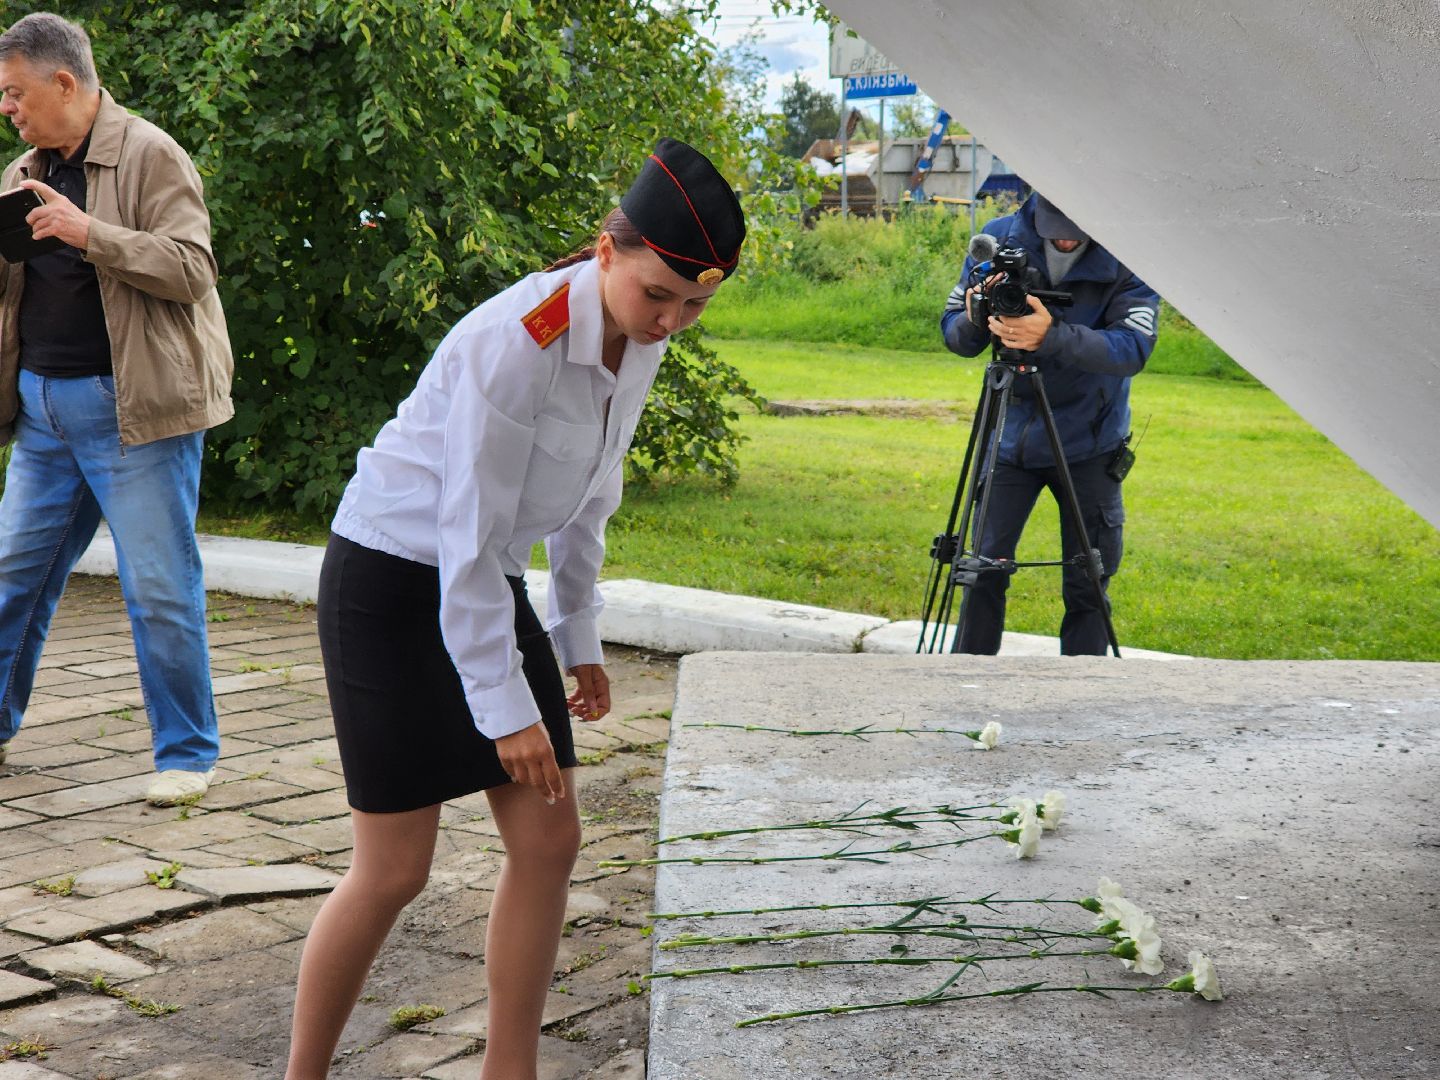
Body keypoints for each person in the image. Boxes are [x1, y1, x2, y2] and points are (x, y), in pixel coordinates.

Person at [284, 138, 745, 1080]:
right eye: (659, 294)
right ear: (606, 250)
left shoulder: (637, 335)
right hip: (390, 580)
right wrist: (506, 712)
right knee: (395, 869)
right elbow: (466, 531)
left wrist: (579, 637)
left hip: (478, 580)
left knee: (549, 836)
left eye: (695, 305)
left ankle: (511, 1072)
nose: (672, 321)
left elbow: (593, 491)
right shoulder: (518, 340)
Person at [0, 13, 232, 803]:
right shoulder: (19, 170)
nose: (9, 109)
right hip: (42, 416)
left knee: (159, 585)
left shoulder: (150, 153)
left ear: (65, 84)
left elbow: (193, 267)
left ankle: (187, 754)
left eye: (16, 93)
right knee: (9, 579)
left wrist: (90, 232)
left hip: (134, 415)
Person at [940, 192, 1159, 655]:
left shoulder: (1130, 253)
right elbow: (955, 334)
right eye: (1053, 227)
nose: (1063, 238)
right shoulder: (999, 237)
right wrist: (976, 315)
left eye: (1075, 231)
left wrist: (1051, 336)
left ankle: (1084, 690)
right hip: (1008, 439)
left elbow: (1132, 348)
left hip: (1091, 442)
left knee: (1088, 580)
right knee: (981, 573)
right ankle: (966, 685)